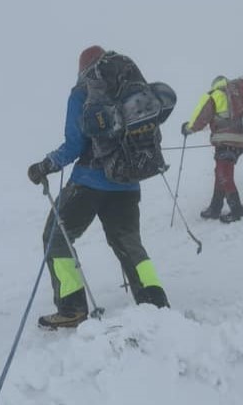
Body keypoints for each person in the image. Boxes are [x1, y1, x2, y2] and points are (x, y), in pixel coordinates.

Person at [27, 46, 171, 329]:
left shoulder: (83, 92)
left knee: (56, 238)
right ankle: (155, 301)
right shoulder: (134, 93)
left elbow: (73, 146)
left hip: (90, 183)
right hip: (128, 183)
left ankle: (72, 307)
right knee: (129, 242)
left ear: (84, 69)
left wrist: (44, 166)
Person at [181, 76, 243, 223]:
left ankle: (237, 210)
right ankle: (215, 207)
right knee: (221, 171)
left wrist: (188, 128)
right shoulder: (238, 95)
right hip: (242, 140)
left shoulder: (215, 94)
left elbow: (201, 117)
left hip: (226, 139)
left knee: (224, 173)